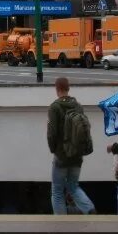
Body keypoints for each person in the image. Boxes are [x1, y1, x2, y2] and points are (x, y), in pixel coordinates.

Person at [46, 77, 95, 214]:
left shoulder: (54, 107)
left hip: (61, 155)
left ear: (57, 89)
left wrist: (53, 149)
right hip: (77, 155)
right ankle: (89, 209)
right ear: (68, 88)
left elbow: (52, 133)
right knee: (73, 186)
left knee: (57, 190)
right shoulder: (78, 106)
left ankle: (61, 223)